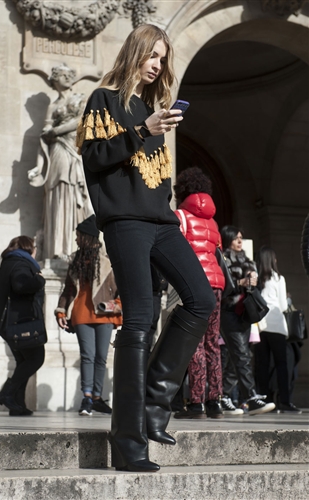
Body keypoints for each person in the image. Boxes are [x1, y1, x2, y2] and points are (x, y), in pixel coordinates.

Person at [78, 24, 216, 472]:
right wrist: (143, 129)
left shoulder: (149, 109)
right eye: (151, 55)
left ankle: (155, 409)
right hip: (125, 223)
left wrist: (151, 124)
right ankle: (128, 441)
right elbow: (96, 158)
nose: (157, 64)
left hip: (161, 222)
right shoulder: (105, 99)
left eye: (162, 57)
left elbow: (154, 179)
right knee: (139, 319)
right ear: (134, 52)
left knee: (200, 298)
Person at [55, 215, 122, 416]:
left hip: (104, 314)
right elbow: (68, 290)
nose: (76, 240)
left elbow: (119, 291)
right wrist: (60, 310)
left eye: (78, 236)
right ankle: (86, 397)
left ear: (87, 237)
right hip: (82, 314)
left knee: (101, 357)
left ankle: (96, 397)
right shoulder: (76, 261)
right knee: (88, 356)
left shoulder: (107, 262)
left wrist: (115, 306)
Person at [172, 166, 225, 419]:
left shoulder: (180, 216)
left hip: (193, 284)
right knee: (213, 343)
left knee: (194, 343)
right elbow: (217, 252)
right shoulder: (213, 221)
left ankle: (195, 403)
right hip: (217, 285)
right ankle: (215, 401)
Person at [28, 63, 92, 260]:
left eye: (68, 74)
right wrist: (39, 167)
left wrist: (55, 131)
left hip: (75, 149)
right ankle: (58, 248)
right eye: (61, 75)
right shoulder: (53, 106)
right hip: (58, 152)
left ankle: (75, 245)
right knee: (59, 192)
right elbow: (43, 137)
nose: (65, 78)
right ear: (54, 80)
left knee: (76, 194)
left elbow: (83, 121)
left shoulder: (81, 99)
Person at [220, 226, 275, 415]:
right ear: (227, 240)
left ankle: (224, 396)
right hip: (228, 312)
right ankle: (250, 397)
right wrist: (240, 283)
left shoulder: (248, 260)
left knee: (238, 356)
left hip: (245, 312)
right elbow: (222, 287)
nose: (239, 241)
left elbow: (255, 286)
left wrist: (253, 280)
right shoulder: (223, 259)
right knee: (241, 355)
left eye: (241, 238)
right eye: (235, 238)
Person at [0, 236, 46, 416]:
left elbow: (1, 291)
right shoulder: (21, 263)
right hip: (19, 322)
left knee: (23, 362)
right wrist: (39, 280)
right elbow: (20, 285)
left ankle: (17, 405)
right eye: (35, 247)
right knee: (36, 358)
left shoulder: (8, 262)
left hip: (6, 322)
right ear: (29, 248)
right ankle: (7, 394)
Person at [255, 246, 301, 413]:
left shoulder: (258, 279)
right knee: (282, 365)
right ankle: (284, 401)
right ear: (271, 260)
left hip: (261, 326)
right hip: (277, 326)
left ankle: (265, 400)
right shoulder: (278, 278)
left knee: (262, 365)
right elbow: (282, 305)